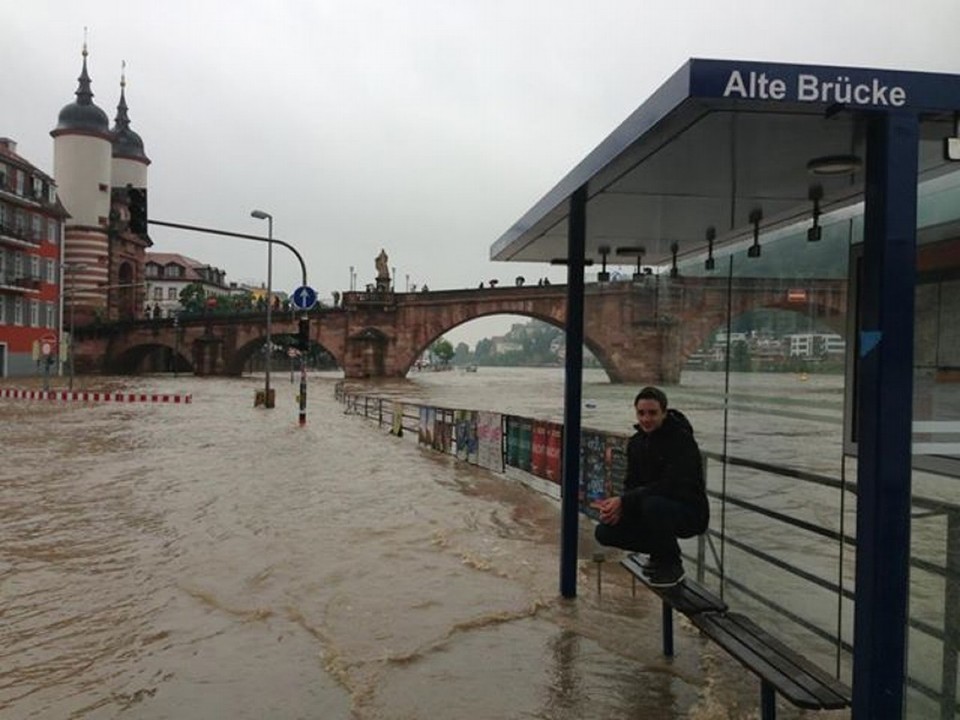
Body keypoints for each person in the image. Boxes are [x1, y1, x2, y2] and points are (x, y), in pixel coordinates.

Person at [593, 386, 708, 587]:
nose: (646, 419)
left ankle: (672, 563)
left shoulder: (681, 440)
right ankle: (660, 553)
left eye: (653, 413)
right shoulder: (636, 443)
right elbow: (631, 484)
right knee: (604, 532)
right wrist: (618, 509)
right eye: (641, 413)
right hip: (652, 508)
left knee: (652, 505)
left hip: (688, 511)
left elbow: (672, 485)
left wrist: (626, 500)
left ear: (664, 412)